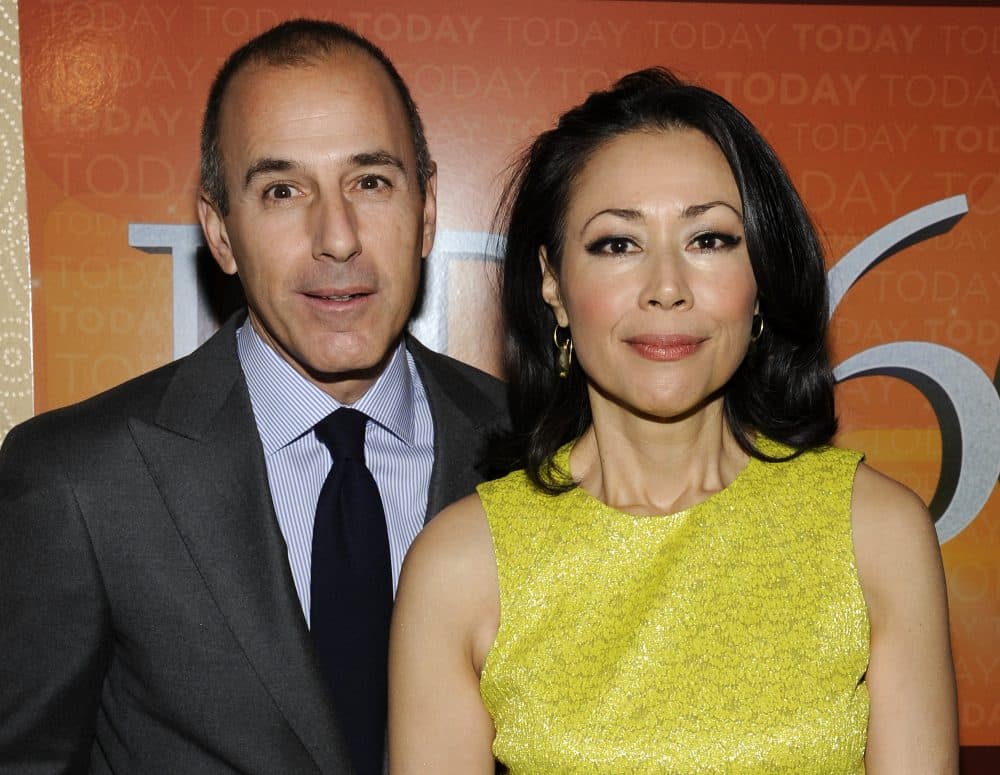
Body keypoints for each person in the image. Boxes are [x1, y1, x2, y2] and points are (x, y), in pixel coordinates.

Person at [388, 68, 958, 773]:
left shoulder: (875, 533)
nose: (666, 288)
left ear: (761, 278)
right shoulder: (459, 566)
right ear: (552, 283)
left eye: (710, 240)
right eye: (617, 244)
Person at [0, 18, 507, 775]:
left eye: (371, 182)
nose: (336, 237)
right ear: (221, 230)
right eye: (281, 190)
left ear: (427, 207)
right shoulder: (80, 479)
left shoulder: (541, 451)